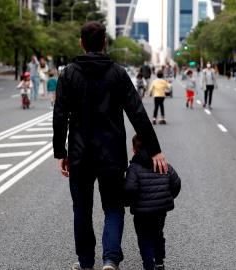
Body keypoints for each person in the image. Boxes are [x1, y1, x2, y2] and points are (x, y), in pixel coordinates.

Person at [53, 21, 167, 270]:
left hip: (79, 153)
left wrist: (61, 152)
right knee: (113, 208)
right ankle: (110, 259)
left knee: (82, 209)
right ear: (105, 43)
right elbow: (137, 113)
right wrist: (154, 149)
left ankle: (85, 263)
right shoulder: (118, 73)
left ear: (81, 43)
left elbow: (60, 115)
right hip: (112, 154)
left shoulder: (68, 74)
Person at [123, 134, 181, 270]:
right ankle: (159, 262)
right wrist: (166, 198)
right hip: (160, 211)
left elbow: (130, 188)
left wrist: (127, 201)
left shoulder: (134, 168)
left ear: (133, 150)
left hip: (141, 213)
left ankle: (149, 265)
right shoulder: (162, 163)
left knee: (144, 238)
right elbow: (176, 183)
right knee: (157, 234)